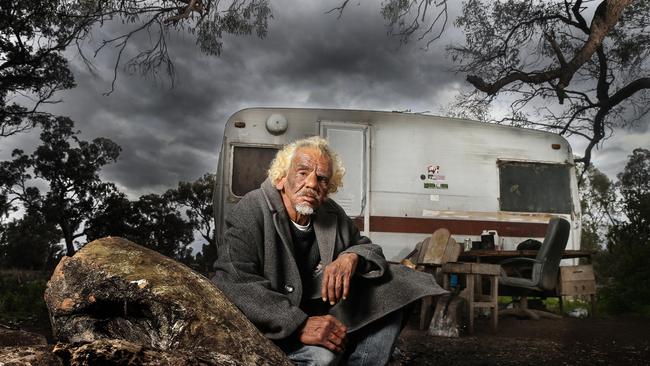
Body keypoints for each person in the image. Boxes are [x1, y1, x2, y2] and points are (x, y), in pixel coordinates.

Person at [213, 136, 446, 365]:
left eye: (322, 178)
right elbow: (235, 280)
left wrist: (350, 257)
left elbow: (367, 246)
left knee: (400, 283)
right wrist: (299, 324)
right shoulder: (251, 208)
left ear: (328, 188)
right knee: (323, 358)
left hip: (321, 312)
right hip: (273, 324)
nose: (312, 184)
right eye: (303, 173)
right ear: (282, 178)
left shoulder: (330, 212)